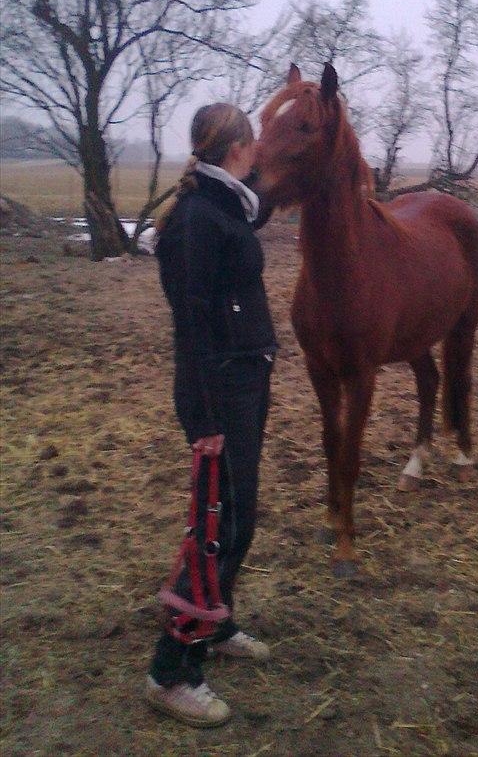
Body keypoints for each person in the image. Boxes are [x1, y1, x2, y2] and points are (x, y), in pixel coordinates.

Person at [145, 103, 277, 728]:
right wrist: (203, 419)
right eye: (255, 143)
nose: (259, 155)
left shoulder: (225, 205)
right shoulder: (197, 220)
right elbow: (191, 323)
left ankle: (215, 625)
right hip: (219, 390)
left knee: (238, 515)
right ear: (238, 149)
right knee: (218, 527)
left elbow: (259, 205)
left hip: (244, 378)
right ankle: (171, 671)